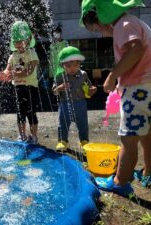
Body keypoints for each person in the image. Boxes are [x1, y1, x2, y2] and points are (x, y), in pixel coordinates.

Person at [81, 0, 151, 197]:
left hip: (137, 89)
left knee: (128, 139)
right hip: (148, 88)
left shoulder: (123, 25)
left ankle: (120, 182)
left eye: (97, 27)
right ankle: (148, 172)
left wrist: (113, 75)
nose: (100, 32)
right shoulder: (134, 22)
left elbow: (136, 49)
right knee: (147, 135)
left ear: (102, 16)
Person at [0, 21, 39, 144]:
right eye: (16, 41)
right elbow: (8, 68)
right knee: (20, 112)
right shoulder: (13, 56)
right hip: (18, 87)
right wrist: (5, 73)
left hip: (30, 87)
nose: (19, 44)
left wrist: (15, 74)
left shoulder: (31, 53)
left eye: (21, 41)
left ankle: (33, 135)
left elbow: (29, 70)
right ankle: (22, 135)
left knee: (31, 111)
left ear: (28, 40)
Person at [52, 46, 97, 151]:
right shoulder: (59, 76)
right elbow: (54, 91)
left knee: (83, 123)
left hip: (80, 103)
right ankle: (63, 141)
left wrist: (92, 89)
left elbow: (89, 88)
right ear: (62, 65)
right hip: (64, 103)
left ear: (80, 64)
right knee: (63, 123)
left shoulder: (83, 74)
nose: (72, 68)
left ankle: (84, 141)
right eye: (68, 66)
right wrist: (59, 88)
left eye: (76, 65)